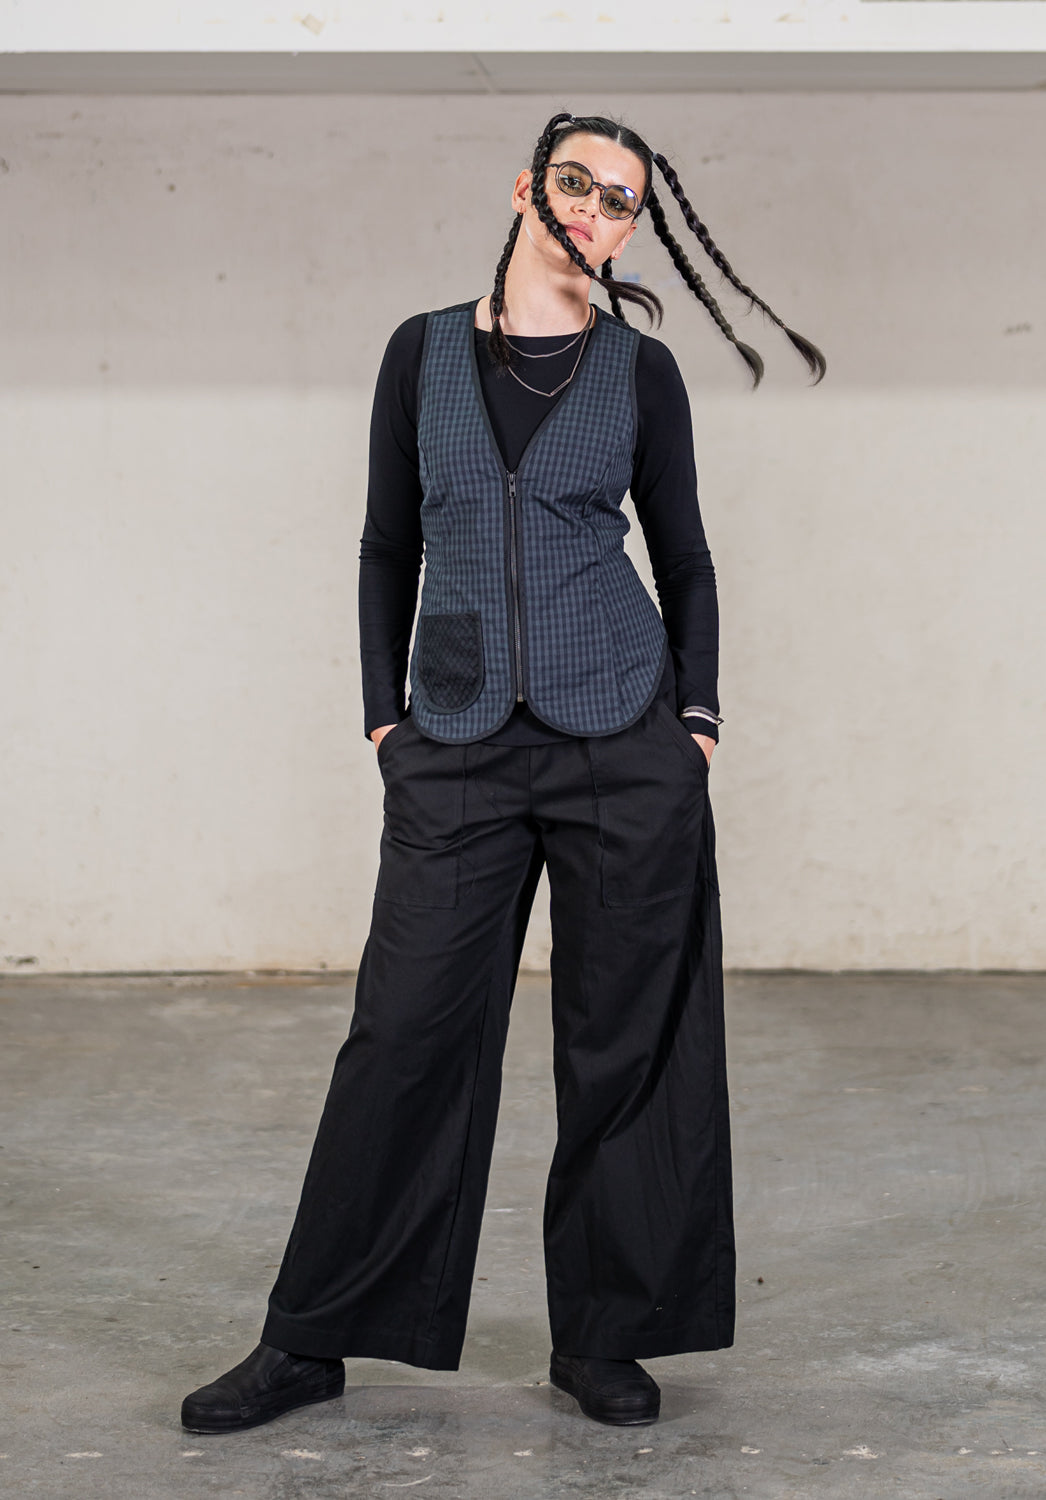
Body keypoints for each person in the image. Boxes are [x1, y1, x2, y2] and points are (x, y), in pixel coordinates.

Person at [181, 110, 825, 1435]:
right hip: (457, 743)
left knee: (625, 1043)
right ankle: (311, 1340)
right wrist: (384, 719)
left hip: (622, 741)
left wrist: (695, 723)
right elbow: (386, 545)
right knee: (403, 1033)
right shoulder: (418, 353)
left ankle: (605, 1336)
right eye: (575, 182)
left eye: (620, 199)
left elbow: (687, 557)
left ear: (632, 228)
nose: (593, 209)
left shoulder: (640, 372)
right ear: (526, 188)